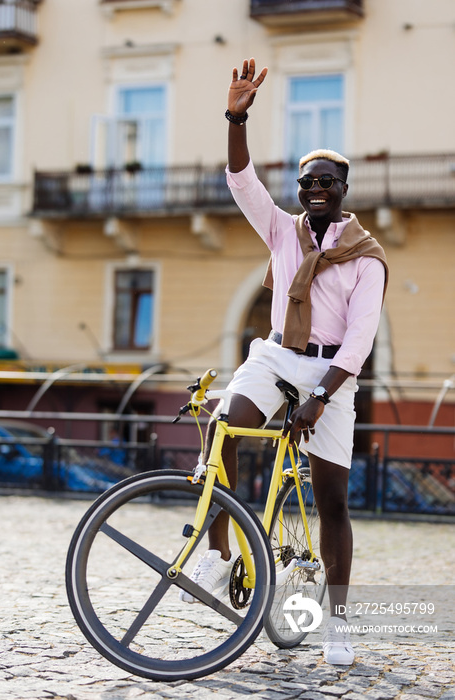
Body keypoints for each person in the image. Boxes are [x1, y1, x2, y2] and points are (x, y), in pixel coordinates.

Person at [181, 58, 388, 666]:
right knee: (223, 430)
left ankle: (338, 624)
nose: (314, 190)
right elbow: (242, 179)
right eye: (306, 183)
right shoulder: (282, 231)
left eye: (325, 181)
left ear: (343, 189)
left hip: (331, 377)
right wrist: (236, 117)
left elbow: (359, 340)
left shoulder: (365, 258)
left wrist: (322, 396)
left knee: (333, 501)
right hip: (275, 357)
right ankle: (223, 558)